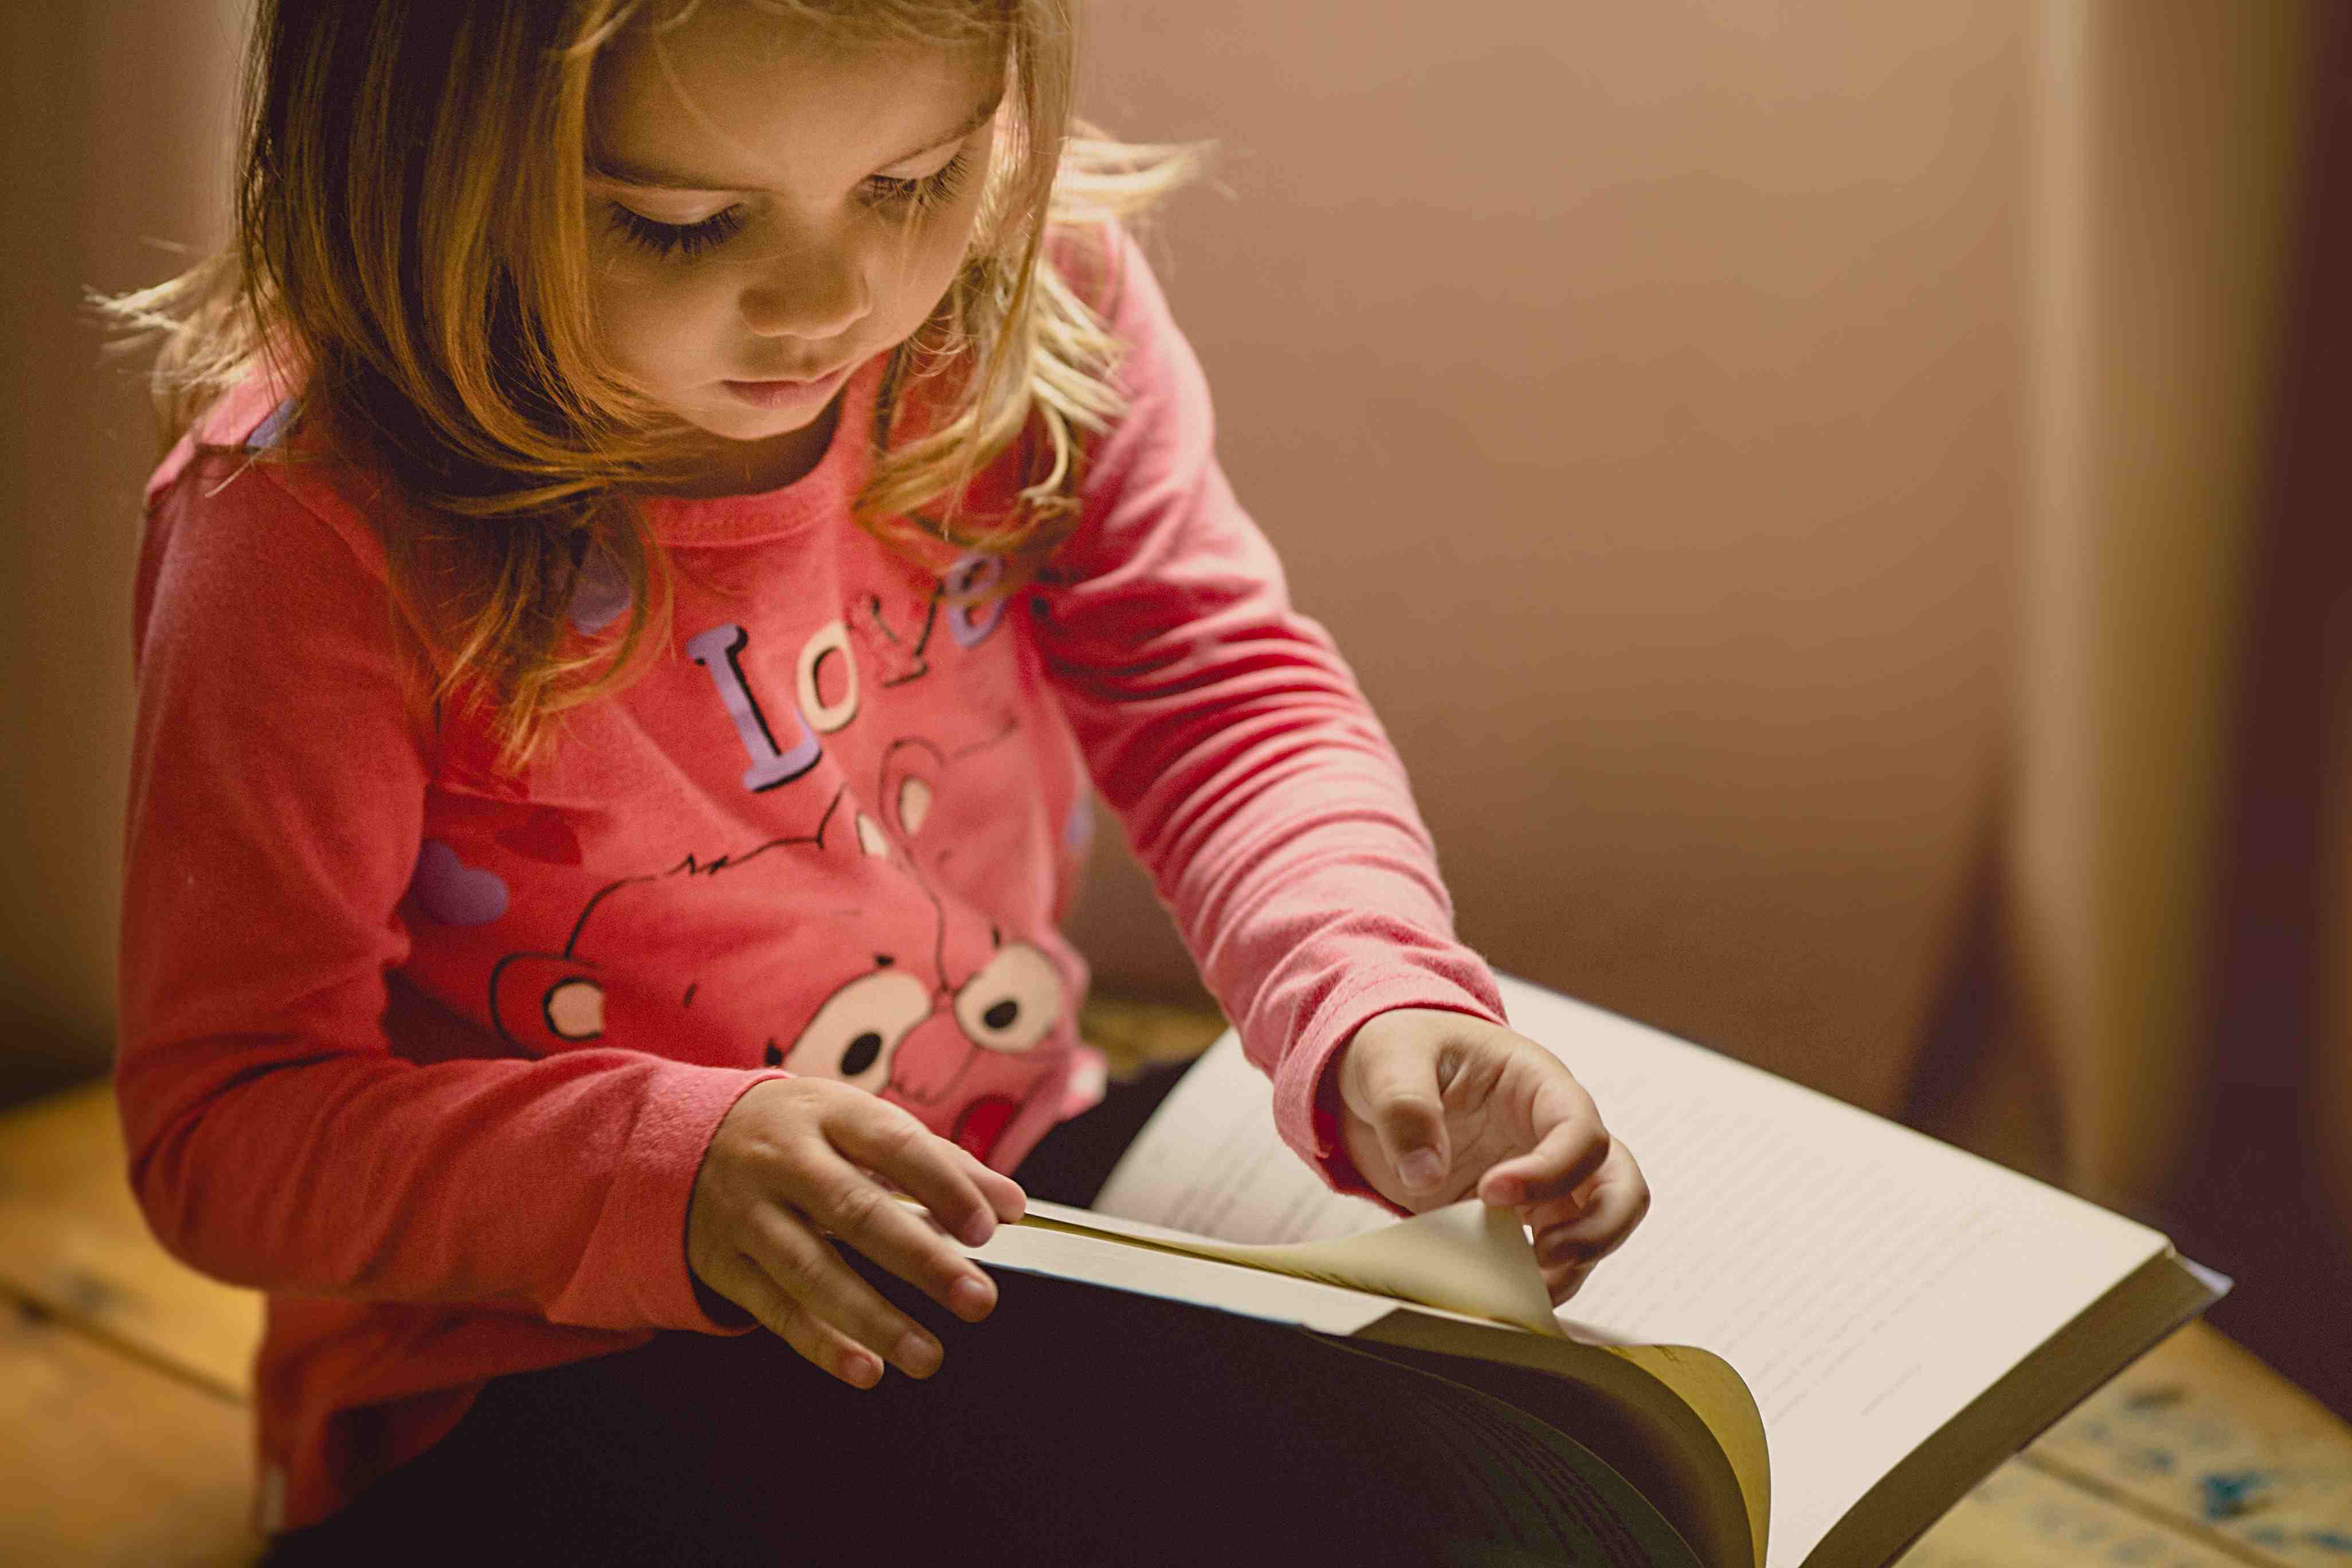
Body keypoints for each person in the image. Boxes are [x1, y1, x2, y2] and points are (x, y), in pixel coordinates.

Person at [107, 1, 1651, 1560]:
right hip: (530, 1362)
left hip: (1017, 1198)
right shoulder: (308, 529)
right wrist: (669, 1175)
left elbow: (1219, 692)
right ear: (406, 164)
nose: (831, 302)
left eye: (914, 183)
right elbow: (227, 1130)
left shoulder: (1023, 310)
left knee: (1545, 1491)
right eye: (679, 223)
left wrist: (1376, 988)